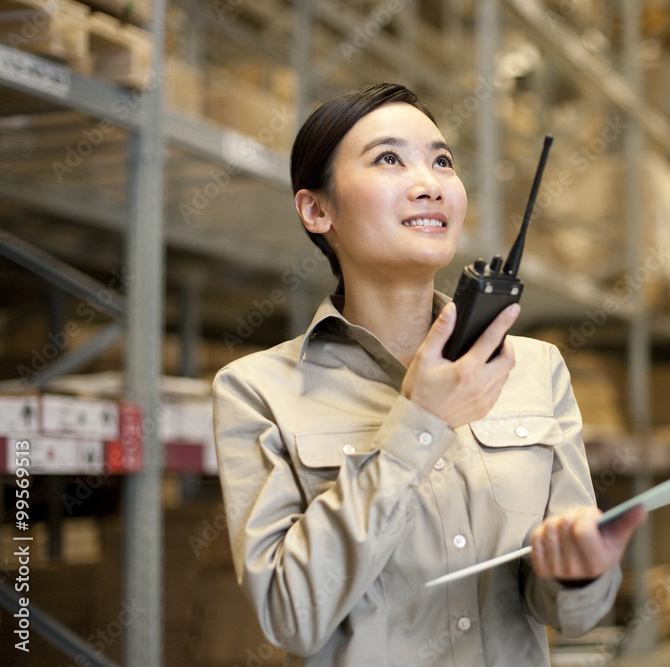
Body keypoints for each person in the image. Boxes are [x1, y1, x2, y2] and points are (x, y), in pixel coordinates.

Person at [212, 82, 645, 666]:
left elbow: (570, 614)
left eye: (442, 161)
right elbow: (292, 615)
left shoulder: (534, 369)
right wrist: (422, 420)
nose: (430, 183)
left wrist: (581, 574)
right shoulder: (256, 391)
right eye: (389, 159)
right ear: (317, 210)